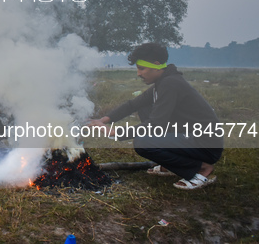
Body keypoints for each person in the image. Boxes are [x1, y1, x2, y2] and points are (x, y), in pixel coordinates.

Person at [88, 43, 223, 190]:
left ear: (156, 65)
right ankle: (171, 165)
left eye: (141, 68)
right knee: (144, 107)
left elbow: (155, 125)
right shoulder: (163, 82)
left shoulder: (170, 84)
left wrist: (114, 132)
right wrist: (102, 120)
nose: (139, 74)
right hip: (189, 136)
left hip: (206, 144)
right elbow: (132, 105)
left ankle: (202, 168)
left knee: (143, 142)